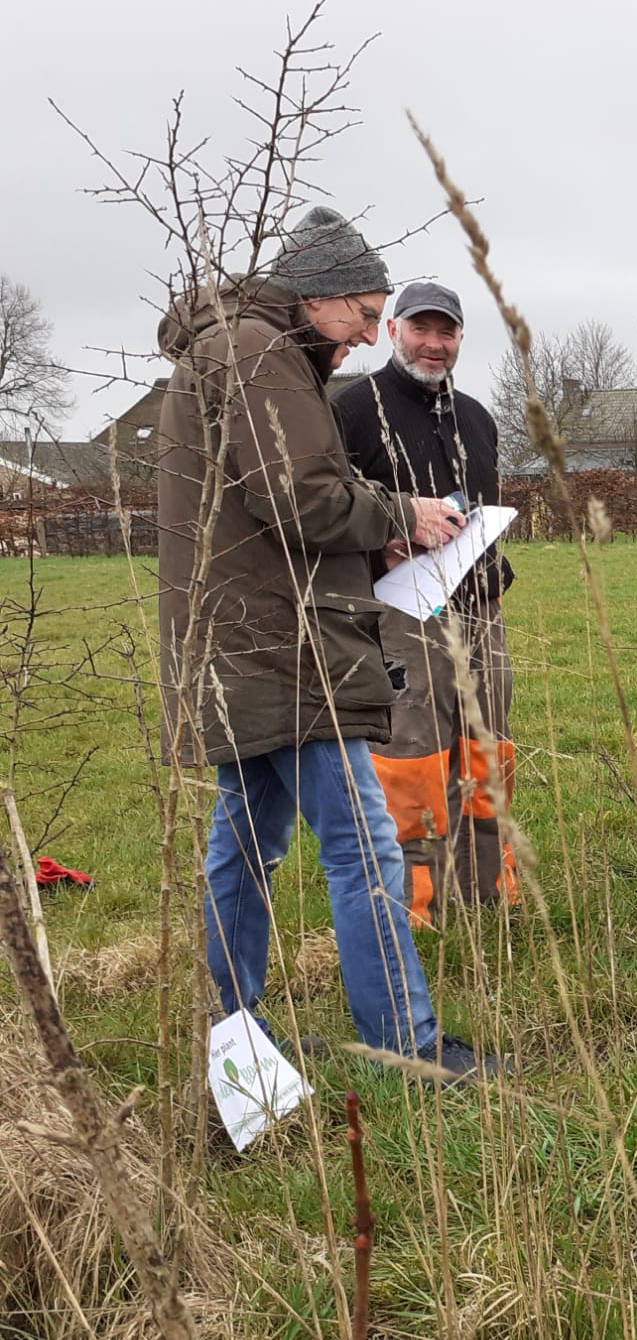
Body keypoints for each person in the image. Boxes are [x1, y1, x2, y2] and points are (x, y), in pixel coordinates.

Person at [155, 204, 499, 1080]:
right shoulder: (263, 355)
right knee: (361, 840)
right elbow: (302, 494)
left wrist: (366, 536)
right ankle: (405, 1042)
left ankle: (231, 1028)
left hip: (241, 636)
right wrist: (402, 514)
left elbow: (272, 499)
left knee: (248, 834)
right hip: (284, 641)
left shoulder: (234, 346)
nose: (363, 338)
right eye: (365, 313)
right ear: (325, 294)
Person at [333, 281, 517, 926]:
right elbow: (330, 512)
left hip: (479, 608)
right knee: (414, 751)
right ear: (392, 330)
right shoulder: (353, 409)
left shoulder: (476, 417)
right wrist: (380, 546)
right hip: (401, 614)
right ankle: (418, 904)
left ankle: (488, 889)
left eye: (448, 333)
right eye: (421, 330)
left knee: (486, 745)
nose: (434, 345)